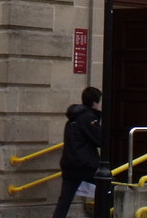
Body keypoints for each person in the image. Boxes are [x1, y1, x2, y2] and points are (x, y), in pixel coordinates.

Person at [52, 86, 103, 218]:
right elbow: (100, 140)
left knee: (64, 200)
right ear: (94, 103)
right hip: (85, 165)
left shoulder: (73, 118)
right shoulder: (89, 119)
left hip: (70, 164)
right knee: (108, 187)